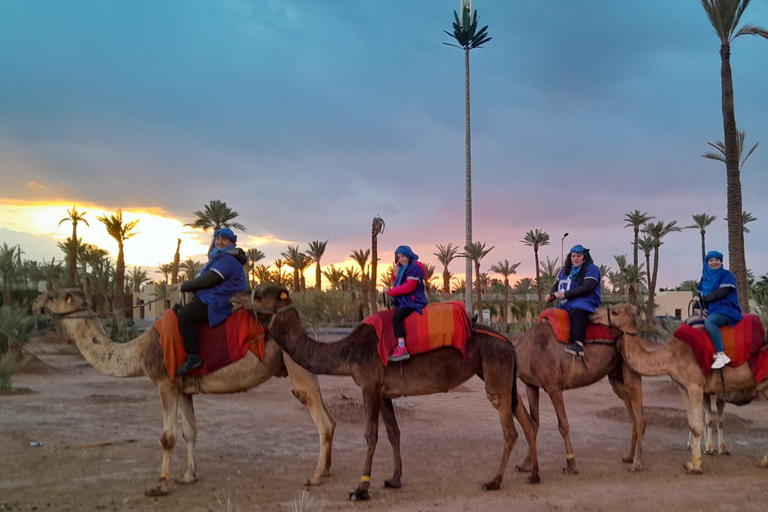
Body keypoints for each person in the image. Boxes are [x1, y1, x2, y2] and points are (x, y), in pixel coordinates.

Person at [175, 228, 248, 376]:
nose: (219, 242)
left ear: (231, 243)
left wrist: (186, 286)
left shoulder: (227, 260)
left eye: (224, 239)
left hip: (217, 301)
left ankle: (193, 357)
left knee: (185, 316)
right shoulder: (220, 258)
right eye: (218, 239)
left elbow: (211, 279)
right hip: (211, 297)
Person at [545, 244, 601, 357]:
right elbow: (557, 285)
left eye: (578, 256)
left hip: (586, 301)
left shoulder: (591, 269)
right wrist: (551, 294)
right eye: (573, 256)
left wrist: (564, 294)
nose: (575, 258)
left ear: (584, 257)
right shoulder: (564, 271)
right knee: (549, 315)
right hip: (566, 303)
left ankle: (578, 344)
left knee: (577, 310)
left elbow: (587, 287)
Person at [694, 250, 742, 370]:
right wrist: (696, 307)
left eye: (717, 260)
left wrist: (702, 298)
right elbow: (698, 295)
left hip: (726, 309)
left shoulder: (727, 275)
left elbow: (721, 293)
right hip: (710, 309)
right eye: (711, 260)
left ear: (721, 262)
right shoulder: (704, 278)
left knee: (710, 322)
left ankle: (721, 354)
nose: (714, 262)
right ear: (707, 263)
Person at [385, 245, 428, 362]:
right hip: (405, 301)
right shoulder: (404, 269)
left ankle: (402, 347)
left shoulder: (414, 269)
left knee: (397, 318)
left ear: (409, 255)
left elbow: (409, 287)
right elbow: (398, 285)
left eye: (403, 256)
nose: (401, 259)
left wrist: (390, 291)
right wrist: (394, 275)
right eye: (398, 258)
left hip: (413, 301)